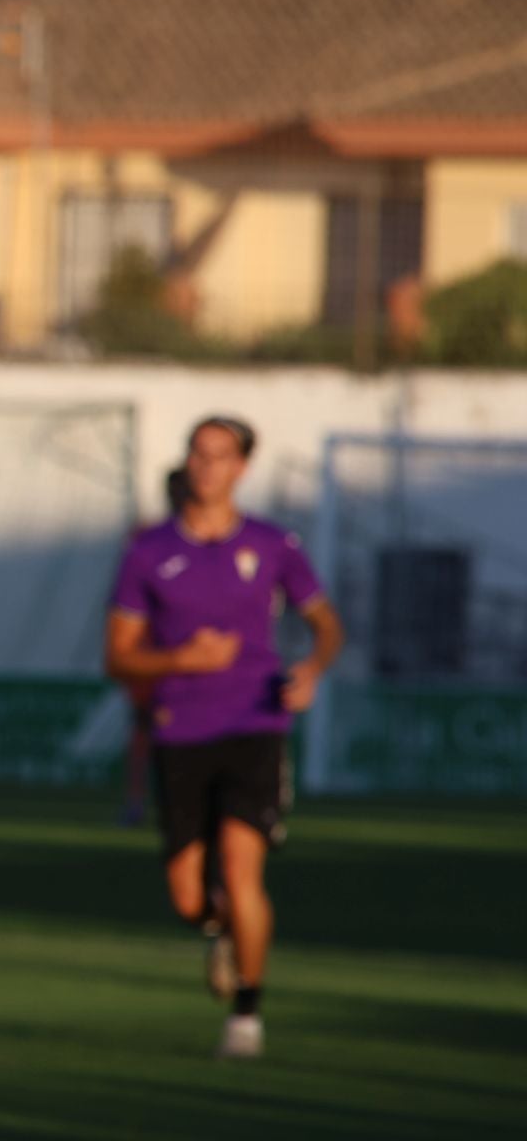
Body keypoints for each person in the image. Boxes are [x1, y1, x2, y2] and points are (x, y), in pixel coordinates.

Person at [104, 415, 345, 1059]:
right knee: (189, 896)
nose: (207, 466)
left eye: (221, 455)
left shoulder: (272, 543)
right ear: (187, 462)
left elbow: (326, 625)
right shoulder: (148, 552)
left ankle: (246, 1015)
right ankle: (220, 931)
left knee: (242, 870)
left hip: (255, 725)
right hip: (180, 730)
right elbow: (118, 657)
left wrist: (312, 669)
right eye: (198, 453)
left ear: (242, 467)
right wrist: (180, 661)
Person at [118, 465, 193, 829]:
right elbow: (128, 597)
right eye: (175, 492)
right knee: (145, 724)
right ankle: (137, 799)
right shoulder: (148, 538)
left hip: (195, 651)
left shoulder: (216, 539)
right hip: (154, 651)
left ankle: (188, 801)